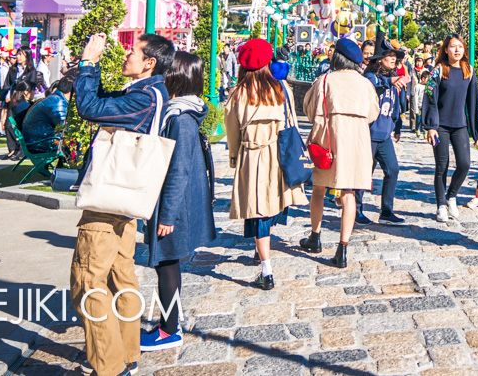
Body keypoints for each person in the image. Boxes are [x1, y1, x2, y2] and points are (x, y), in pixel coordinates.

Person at [70, 32, 174, 376]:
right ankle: (127, 353)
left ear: (149, 63)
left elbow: (89, 108)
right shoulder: (148, 93)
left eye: (133, 51)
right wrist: (89, 72)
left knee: (88, 282)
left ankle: (109, 366)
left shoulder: (144, 96)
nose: (126, 55)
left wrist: (88, 64)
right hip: (124, 201)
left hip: (107, 202)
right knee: (120, 277)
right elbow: (100, 102)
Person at [139, 52, 216, 352]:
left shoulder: (180, 117)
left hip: (176, 206)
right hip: (175, 203)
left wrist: (167, 215)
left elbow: (179, 168)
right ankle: (168, 325)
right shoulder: (180, 111)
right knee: (167, 265)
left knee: (167, 264)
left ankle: (169, 330)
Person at [224, 38, 307, 290]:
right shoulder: (281, 89)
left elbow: (232, 131)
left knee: (257, 207)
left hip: (252, 154)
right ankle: (262, 250)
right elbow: (290, 122)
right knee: (272, 203)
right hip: (277, 153)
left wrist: (234, 156)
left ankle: (266, 269)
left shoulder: (238, 93)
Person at [299, 37, 380, 268]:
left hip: (328, 141)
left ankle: (315, 236)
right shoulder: (365, 83)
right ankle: (342, 248)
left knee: (318, 189)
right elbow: (373, 113)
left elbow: (309, 107)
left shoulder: (325, 80)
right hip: (356, 142)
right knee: (348, 194)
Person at [422, 34, 478, 222]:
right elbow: (430, 99)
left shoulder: (469, 70)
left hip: (460, 125)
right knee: (442, 166)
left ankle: (451, 196)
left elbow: (473, 102)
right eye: (453, 47)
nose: (457, 50)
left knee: (464, 164)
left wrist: (476, 130)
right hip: (440, 126)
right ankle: (440, 205)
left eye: (460, 47)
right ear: (445, 49)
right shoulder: (437, 71)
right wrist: (431, 126)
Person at [354, 36, 404, 225]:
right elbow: (371, 85)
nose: (393, 59)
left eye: (395, 57)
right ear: (379, 59)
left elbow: (396, 105)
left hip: (384, 135)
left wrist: (396, 125)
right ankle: (357, 211)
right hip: (368, 135)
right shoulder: (370, 76)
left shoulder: (394, 79)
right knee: (363, 174)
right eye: (390, 56)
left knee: (393, 170)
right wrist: (390, 81)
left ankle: (386, 211)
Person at [22, 75, 68, 155]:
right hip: (40, 143)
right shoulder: (57, 101)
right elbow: (62, 125)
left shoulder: (53, 99)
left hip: (36, 140)